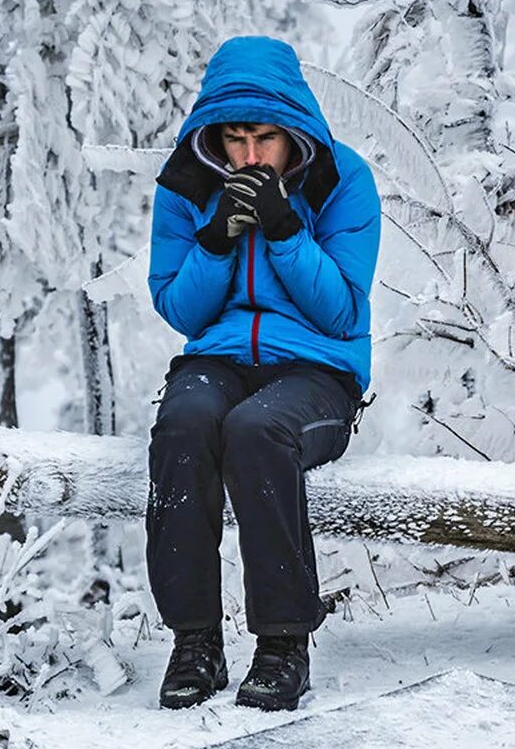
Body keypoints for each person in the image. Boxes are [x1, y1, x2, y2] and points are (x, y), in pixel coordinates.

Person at [145, 36, 380, 711]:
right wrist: (217, 238)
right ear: (214, 136)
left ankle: (283, 644)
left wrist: (283, 230)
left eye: (264, 140)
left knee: (255, 432)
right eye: (236, 139)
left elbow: (339, 312)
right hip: (216, 360)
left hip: (317, 372)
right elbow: (179, 306)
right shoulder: (188, 185)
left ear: (292, 133)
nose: (249, 157)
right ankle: (195, 641)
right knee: (184, 424)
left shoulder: (343, 182)